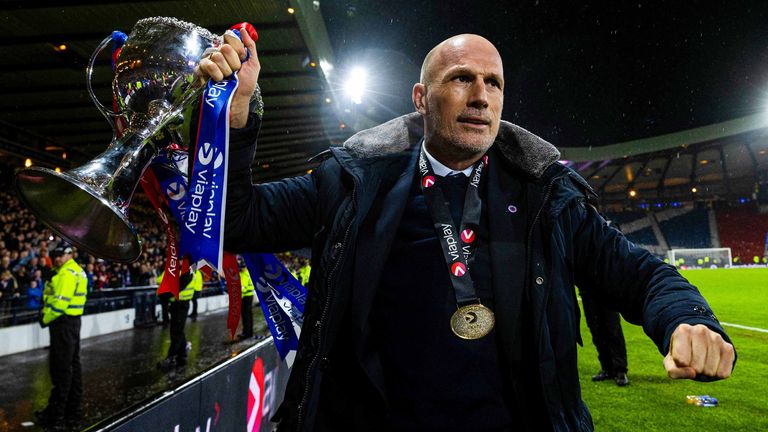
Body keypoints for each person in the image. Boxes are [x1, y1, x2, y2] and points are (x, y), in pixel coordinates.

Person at [203, 31, 735, 431]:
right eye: (462, 79)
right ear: (420, 98)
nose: (481, 96)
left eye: (494, 83)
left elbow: (638, 274)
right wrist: (237, 118)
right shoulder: (352, 182)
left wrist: (687, 320)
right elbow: (236, 221)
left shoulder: (546, 195)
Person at [35, 245, 88, 431]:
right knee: (73, 366)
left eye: (60, 255)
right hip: (72, 323)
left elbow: (59, 304)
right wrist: (51, 280)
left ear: (69, 255)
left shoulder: (66, 274)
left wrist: (44, 318)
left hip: (62, 324)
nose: (57, 258)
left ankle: (55, 416)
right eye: (55, 255)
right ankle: (71, 410)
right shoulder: (76, 271)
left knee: (61, 370)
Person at [581, 291, 630, 386]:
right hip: (587, 292)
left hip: (607, 291)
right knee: (595, 330)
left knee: (613, 330)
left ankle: (620, 370)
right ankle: (606, 368)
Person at [157, 269, 195, 371]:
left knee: (176, 332)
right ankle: (182, 356)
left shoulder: (187, 272)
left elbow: (176, 287)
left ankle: (170, 358)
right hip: (177, 305)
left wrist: (163, 293)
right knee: (178, 331)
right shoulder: (179, 270)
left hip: (181, 305)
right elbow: (160, 280)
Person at [238, 257, 255, 340]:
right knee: (249, 315)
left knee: (245, 316)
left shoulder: (243, 275)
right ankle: (249, 332)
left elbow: (242, 288)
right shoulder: (249, 273)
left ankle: (246, 333)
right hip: (250, 296)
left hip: (245, 297)